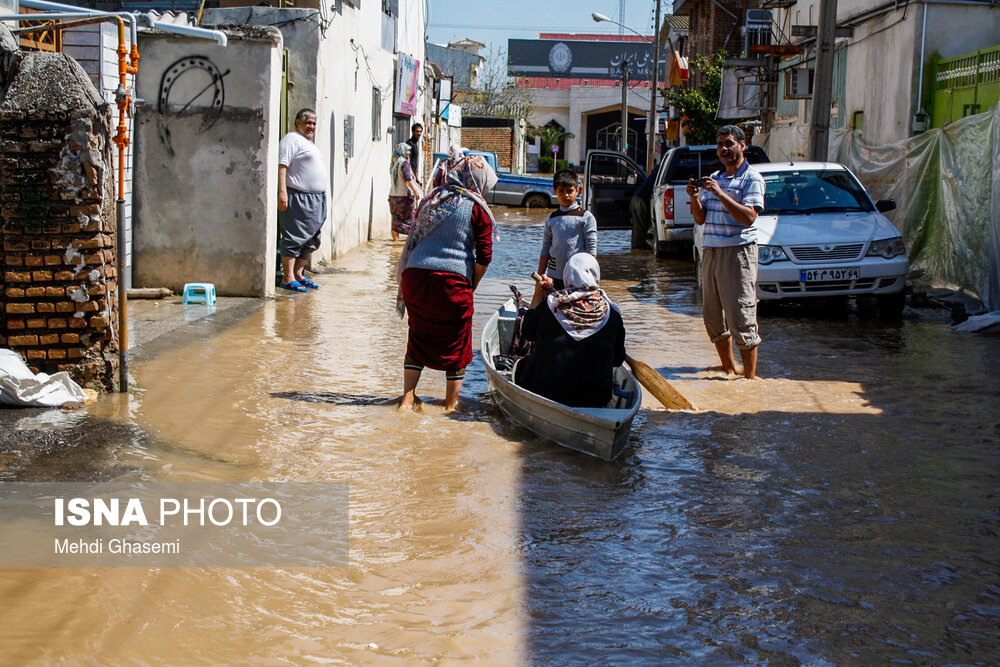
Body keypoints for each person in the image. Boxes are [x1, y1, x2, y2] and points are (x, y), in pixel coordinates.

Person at [396, 154, 497, 412]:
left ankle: (407, 399)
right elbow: (484, 256)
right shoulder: (477, 208)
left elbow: (415, 239)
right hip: (451, 282)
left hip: (414, 278)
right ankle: (450, 405)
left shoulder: (433, 198)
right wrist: (468, 285)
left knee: (418, 336)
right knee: (458, 341)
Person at [688, 125, 765, 379]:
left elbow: (749, 217)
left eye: (729, 143)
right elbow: (701, 219)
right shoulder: (715, 177)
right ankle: (729, 372)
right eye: (720, 144)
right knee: (712, 317)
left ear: (743, 146)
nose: (724, 149)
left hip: (737, 252)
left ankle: (750, 380)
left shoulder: (751, 178)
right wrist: (696, 198)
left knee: (741, 316)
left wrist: (720, 193)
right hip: (711, 251)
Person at [515, 253, 626, 408]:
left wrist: (537, 296)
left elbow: (528, 332)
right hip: (596, 398)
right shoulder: (612, 313)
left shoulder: (551, 304)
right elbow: (617, 360)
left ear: (567, 275)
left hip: (546, 391)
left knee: (521, 366)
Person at [277, 108, 328, 292]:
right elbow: (282, 166)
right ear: (297, 121)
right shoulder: (291, 139)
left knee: (310, 238)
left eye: (314, 124)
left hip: (316, 198)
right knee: (294, 236)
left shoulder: (309, 143)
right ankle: (287, 277)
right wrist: (282, 192)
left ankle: (299, 274)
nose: (311, 127)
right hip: (298, 197)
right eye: (308, 123)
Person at [536, 169, 598, 290]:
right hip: (554, 276)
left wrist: (590, 277)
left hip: (578, 276)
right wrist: (540, 276)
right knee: (554, 305)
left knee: (575, 307)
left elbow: (592, 251)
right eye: (561, 191)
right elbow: (545, 249)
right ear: (555, 191)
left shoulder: (586, 217)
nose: (566, 195)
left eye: (570, 191)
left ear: (578, 191)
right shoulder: (551, 218)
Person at [388, 143, 423, 242]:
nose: (409, 152)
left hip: (393, 196)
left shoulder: (394, 164)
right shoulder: (404, 164)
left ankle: (395, 243)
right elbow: (407, 179)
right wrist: (416, 191)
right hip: (404, 197)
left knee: (395, 221)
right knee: (410, 221)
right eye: (407, 150)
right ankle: (408, 245)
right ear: (403, 151)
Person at [629, 161, 659, 250]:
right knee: (639, 230)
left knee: (638, 230)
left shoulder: (657, 169)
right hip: (640, 201)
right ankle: (638, 250)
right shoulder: (659, 170)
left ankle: (637, 251)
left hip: (637, 199)